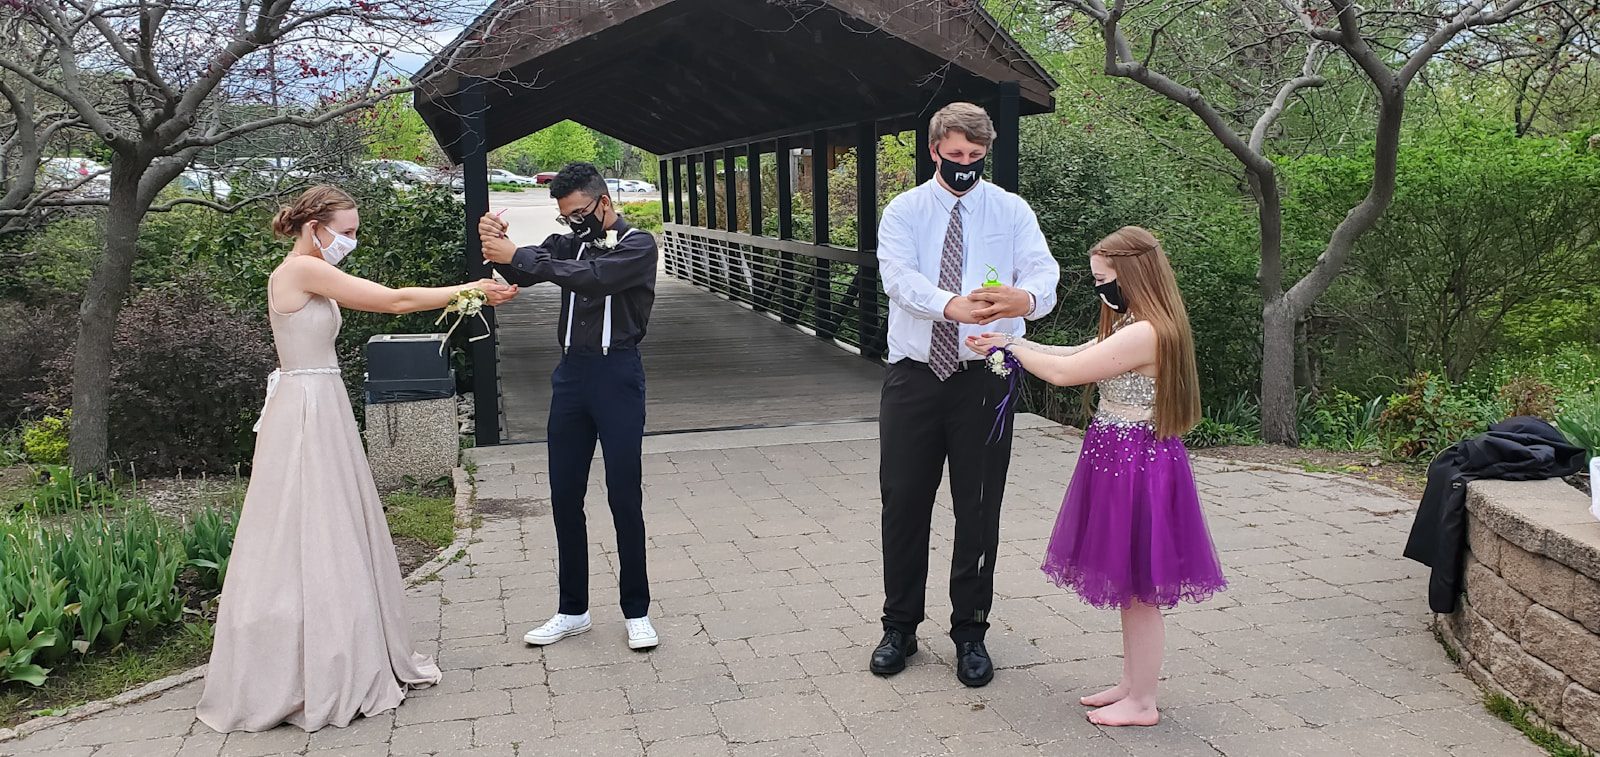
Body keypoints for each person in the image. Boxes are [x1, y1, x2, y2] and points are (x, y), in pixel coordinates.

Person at [198, 185, 518, 733]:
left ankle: (329, 645)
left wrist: (473, 295)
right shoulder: (300, 270)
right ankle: (306, 663)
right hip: (306, 406)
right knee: (306, 521)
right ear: (313, 226)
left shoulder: (308, 270)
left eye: (354, 231)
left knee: (325, 520)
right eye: (345, 232)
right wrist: (472, 290)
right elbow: (392, 300)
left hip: (319, 399)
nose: (352, 241)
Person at [968, 226, 1226, 727]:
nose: (1099, 289)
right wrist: (1011, 340)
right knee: (1131, 586)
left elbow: (1068, 373)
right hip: (1121, 457)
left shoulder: (1145, 331)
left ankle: (1143, 701)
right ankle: (1133, 684)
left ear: (1132, 275)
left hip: (1135, 464)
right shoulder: (1134, 322)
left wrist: (1010, 348)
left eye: (1104, 279)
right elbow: (1072, 354)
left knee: (1140, 589)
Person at [872, 102, 1061, 687]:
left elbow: (1043, 274)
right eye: (955, 156)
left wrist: (1023, 301)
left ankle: (970, 631)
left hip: (986, 374)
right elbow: (898, 278)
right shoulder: (904, 211)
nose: (965, 166)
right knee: (903, 503)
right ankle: (899, 625)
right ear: (934, 150)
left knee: (978, 506)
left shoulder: (1011, 209)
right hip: (915, 375)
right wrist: (949, 305)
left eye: (976, 158)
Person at [477, 162, 661, 651]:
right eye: (565, 217)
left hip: (617, 373)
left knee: (624, 495)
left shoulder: (639, 245)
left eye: (579, 213)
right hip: (571, 375)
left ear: (603, 201)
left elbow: (596, 278)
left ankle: (637, 611)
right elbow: (522, 267)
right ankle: (572, 609)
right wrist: (495, 244)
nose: (573, 223)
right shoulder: (567, 245)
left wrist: (522, 257)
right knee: (563, 495)